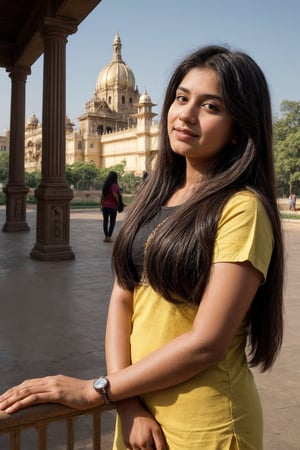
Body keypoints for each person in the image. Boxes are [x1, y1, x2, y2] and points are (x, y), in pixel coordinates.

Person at [0, 45, 284, 450]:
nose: (185, 114)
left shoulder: (241, 208)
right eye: (182, 98)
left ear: (239, 127)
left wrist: (95, 389)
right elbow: (122, 299)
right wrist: (126, 401)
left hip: (207, 423)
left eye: (211, 106)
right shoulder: (156, 195)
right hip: (138, 415)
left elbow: (207, 342)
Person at [100, 171, 120, 242]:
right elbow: (115, 195)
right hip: (112, 207)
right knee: (112, 222)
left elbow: (102, 196)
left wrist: (100, 204)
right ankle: (109, 237)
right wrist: (118, 203)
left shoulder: (105, 185)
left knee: (105, 221)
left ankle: (106, 237)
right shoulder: (114, 185)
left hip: (105, 206)